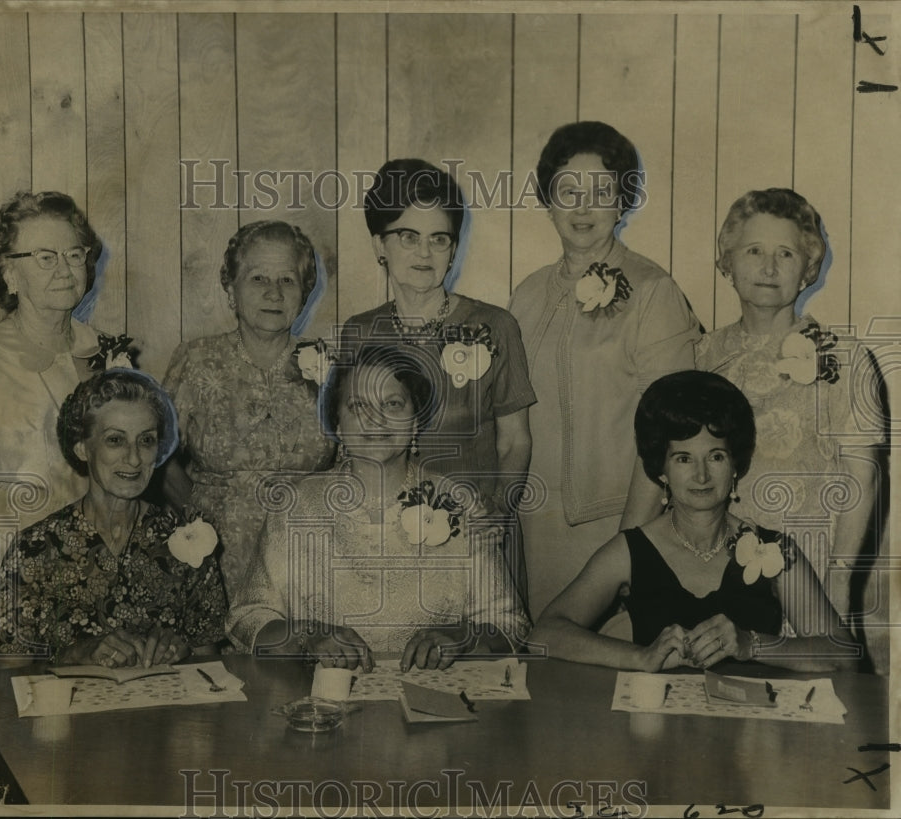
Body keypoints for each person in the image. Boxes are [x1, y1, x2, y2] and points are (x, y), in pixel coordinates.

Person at [530, 370, 858, 673]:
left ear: (735, 465)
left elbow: (844, 655)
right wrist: (641, 657)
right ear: (661, 469)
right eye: (683, 458)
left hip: (752, 731)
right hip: (652, 732)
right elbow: (545, 633)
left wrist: (751, 645)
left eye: (716, 456)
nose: (701, 475)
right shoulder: (630, 551)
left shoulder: (773, 549)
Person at [227, 344, 529, 671]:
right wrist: (307, 636)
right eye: (358, 405)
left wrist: (463, 636)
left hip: (434, 702)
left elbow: (510, 624)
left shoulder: (459, 503)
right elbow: (247, 618)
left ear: (415, 422)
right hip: (320, 703)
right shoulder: (295, 506)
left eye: (393, 404)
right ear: (338, 424)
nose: (376, 418)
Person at [0, 190, 127, 678]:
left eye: (74, 254)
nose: (64, 268)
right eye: (44, 256)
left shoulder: (106, 353)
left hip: (96, 599)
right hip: (6, 598)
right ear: (9, 272)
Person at [508, 121, 701, 618]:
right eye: (568, 190)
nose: (583, 207)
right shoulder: (525, 295)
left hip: (617, 528)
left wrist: (629, 552)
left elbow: (670, 433)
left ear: (623, 200)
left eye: (600, 191)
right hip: (532, 533)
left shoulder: (653, 290)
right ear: (548, 200)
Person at [695, 189, 885, 624]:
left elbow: (863, 480)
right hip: (711, 577)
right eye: (754, 250)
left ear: (808, 268)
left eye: (785, 253)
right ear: (727, 261)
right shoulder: (700, 357)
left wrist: (838, 585)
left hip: (810, 583)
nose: (768, 267)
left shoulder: (848, 358)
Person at [0, 368, 227, 666]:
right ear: (81, 447)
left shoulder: (189, 542)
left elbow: (211, 672)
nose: (134, 459)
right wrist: (74, 654)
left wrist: (182, 649)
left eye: (146, 440)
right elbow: (5, 688)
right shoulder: (34, 550)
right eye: (115, 440)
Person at [343, 158, 536, 517]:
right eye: (408, 237)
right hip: (386, 528)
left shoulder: (495, 326)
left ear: (452, 250)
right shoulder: (360, 332)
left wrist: (495, 514)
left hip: (475, 527)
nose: (424, 252)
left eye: (439, 239)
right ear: (379, 246)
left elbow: (514, 441)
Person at [162, 221, 336, 608]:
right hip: (213, 558)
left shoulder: (328, 366)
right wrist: (201, 520)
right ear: (231, 287)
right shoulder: (196, 359)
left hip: (309, 558)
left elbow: (357, 462)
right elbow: (156, 457)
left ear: (305, 293)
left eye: (288, 280)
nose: (273, 293)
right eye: (258, 278)